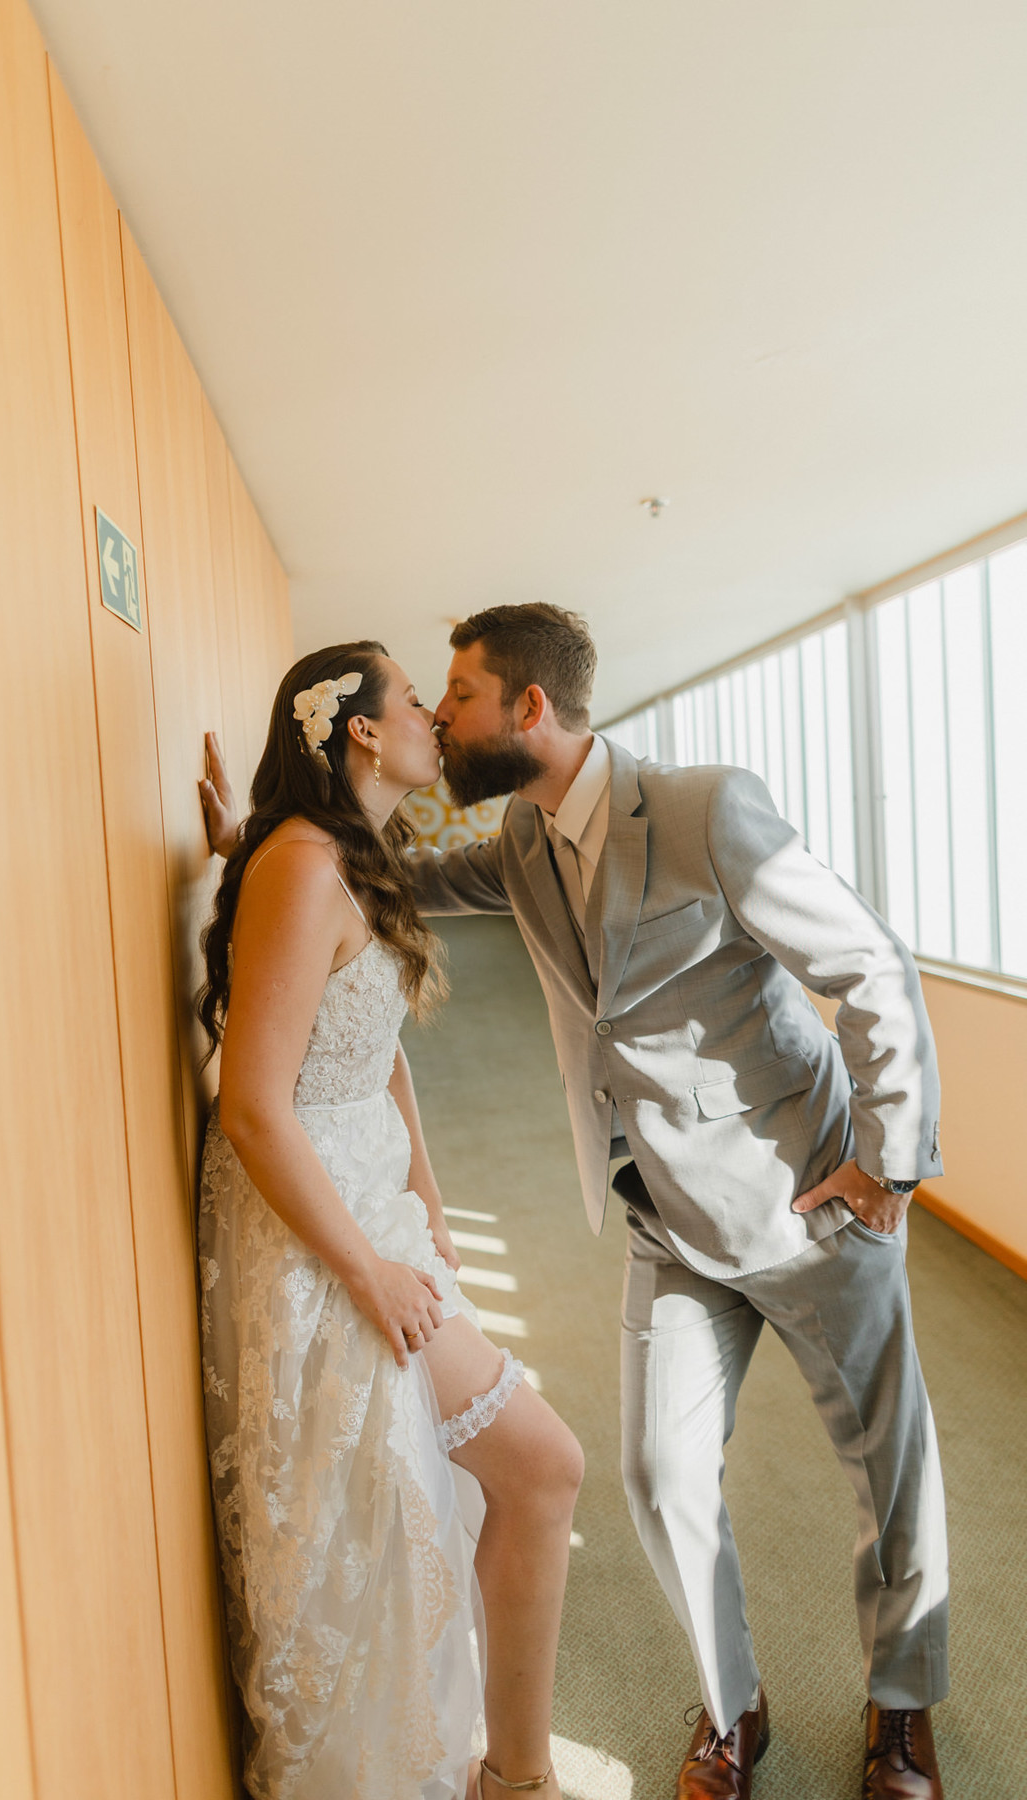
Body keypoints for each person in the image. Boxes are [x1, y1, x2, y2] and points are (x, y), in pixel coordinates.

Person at [202, 602, 950, 1800]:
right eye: (426, 700)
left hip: (801, 1191)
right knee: (658, 1479)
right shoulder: (522, 845)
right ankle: (732, 1705)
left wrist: (890, 1160)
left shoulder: (708, 808)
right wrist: (257, 838)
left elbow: (869, 968)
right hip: (660, 1217)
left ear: (528, 708)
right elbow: (370, 883)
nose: (442, 718)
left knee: (883, 1456)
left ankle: (903, 1711)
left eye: (457, 695)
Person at [196, 641, 582, 1800]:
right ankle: (518, 1781)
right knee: (543, 1469)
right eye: (418, 697)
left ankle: (504, 1772)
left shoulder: (342, 859)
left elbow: (379, 1058)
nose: (434, 714)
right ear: (362, 731)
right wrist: (367, 1269)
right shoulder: (307, 868)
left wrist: (431, 1208)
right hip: (317, 1229)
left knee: (442, 1504)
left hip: (375, 1202)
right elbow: (254, 1108)